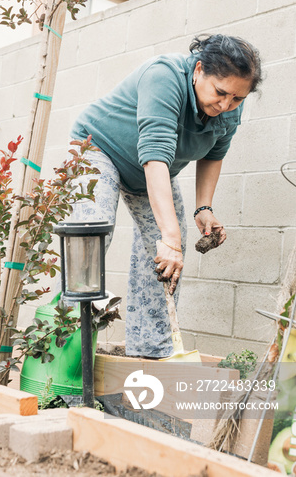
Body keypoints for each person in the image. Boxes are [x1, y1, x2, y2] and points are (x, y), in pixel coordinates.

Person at [69, 34, 262, 358]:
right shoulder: (165, 76)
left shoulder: (227, 111)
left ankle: (150, 350)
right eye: (220, 93)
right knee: (93, 229)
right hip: (99, 148)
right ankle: (66, 333)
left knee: (169, 255)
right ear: (199, 70)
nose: (226, 105)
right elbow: (155, 154)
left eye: (237, 99)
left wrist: (204, 208)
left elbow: (214, 154)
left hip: (149, 172)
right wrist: (168, 235)